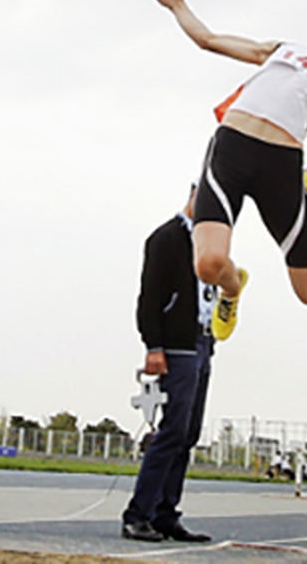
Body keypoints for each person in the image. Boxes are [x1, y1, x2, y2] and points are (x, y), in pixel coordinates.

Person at [149, 0, 307, 341]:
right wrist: (178, 6)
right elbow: (209, 40)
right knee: (208, 266)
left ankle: (306, 198)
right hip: (232, 149)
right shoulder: (284, 49)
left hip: (281, 165)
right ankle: (233, 287)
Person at [121, 184, 217, 544]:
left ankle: (165, 512)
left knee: (188, 433)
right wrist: (154, 345)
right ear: (193, 194)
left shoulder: (213, 243)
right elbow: (149, 297)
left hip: (203, 339)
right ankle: (138, 514)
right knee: (172, 430)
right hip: (176, 344)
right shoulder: (166, 239)